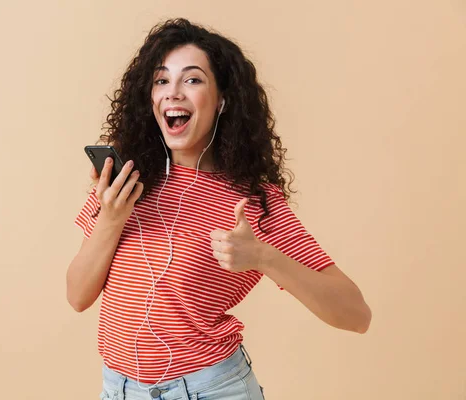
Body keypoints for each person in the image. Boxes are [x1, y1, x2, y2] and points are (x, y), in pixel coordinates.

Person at [67, 18, 371, 400]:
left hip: (210, 391)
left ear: (222, 100)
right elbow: (77, 296)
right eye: (162, 80)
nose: (172, 93)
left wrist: (263, 256)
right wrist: (110, 220)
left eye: (192, 80)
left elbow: (357, 315)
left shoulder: (252, 201)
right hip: (119, 390)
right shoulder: (126, 183)